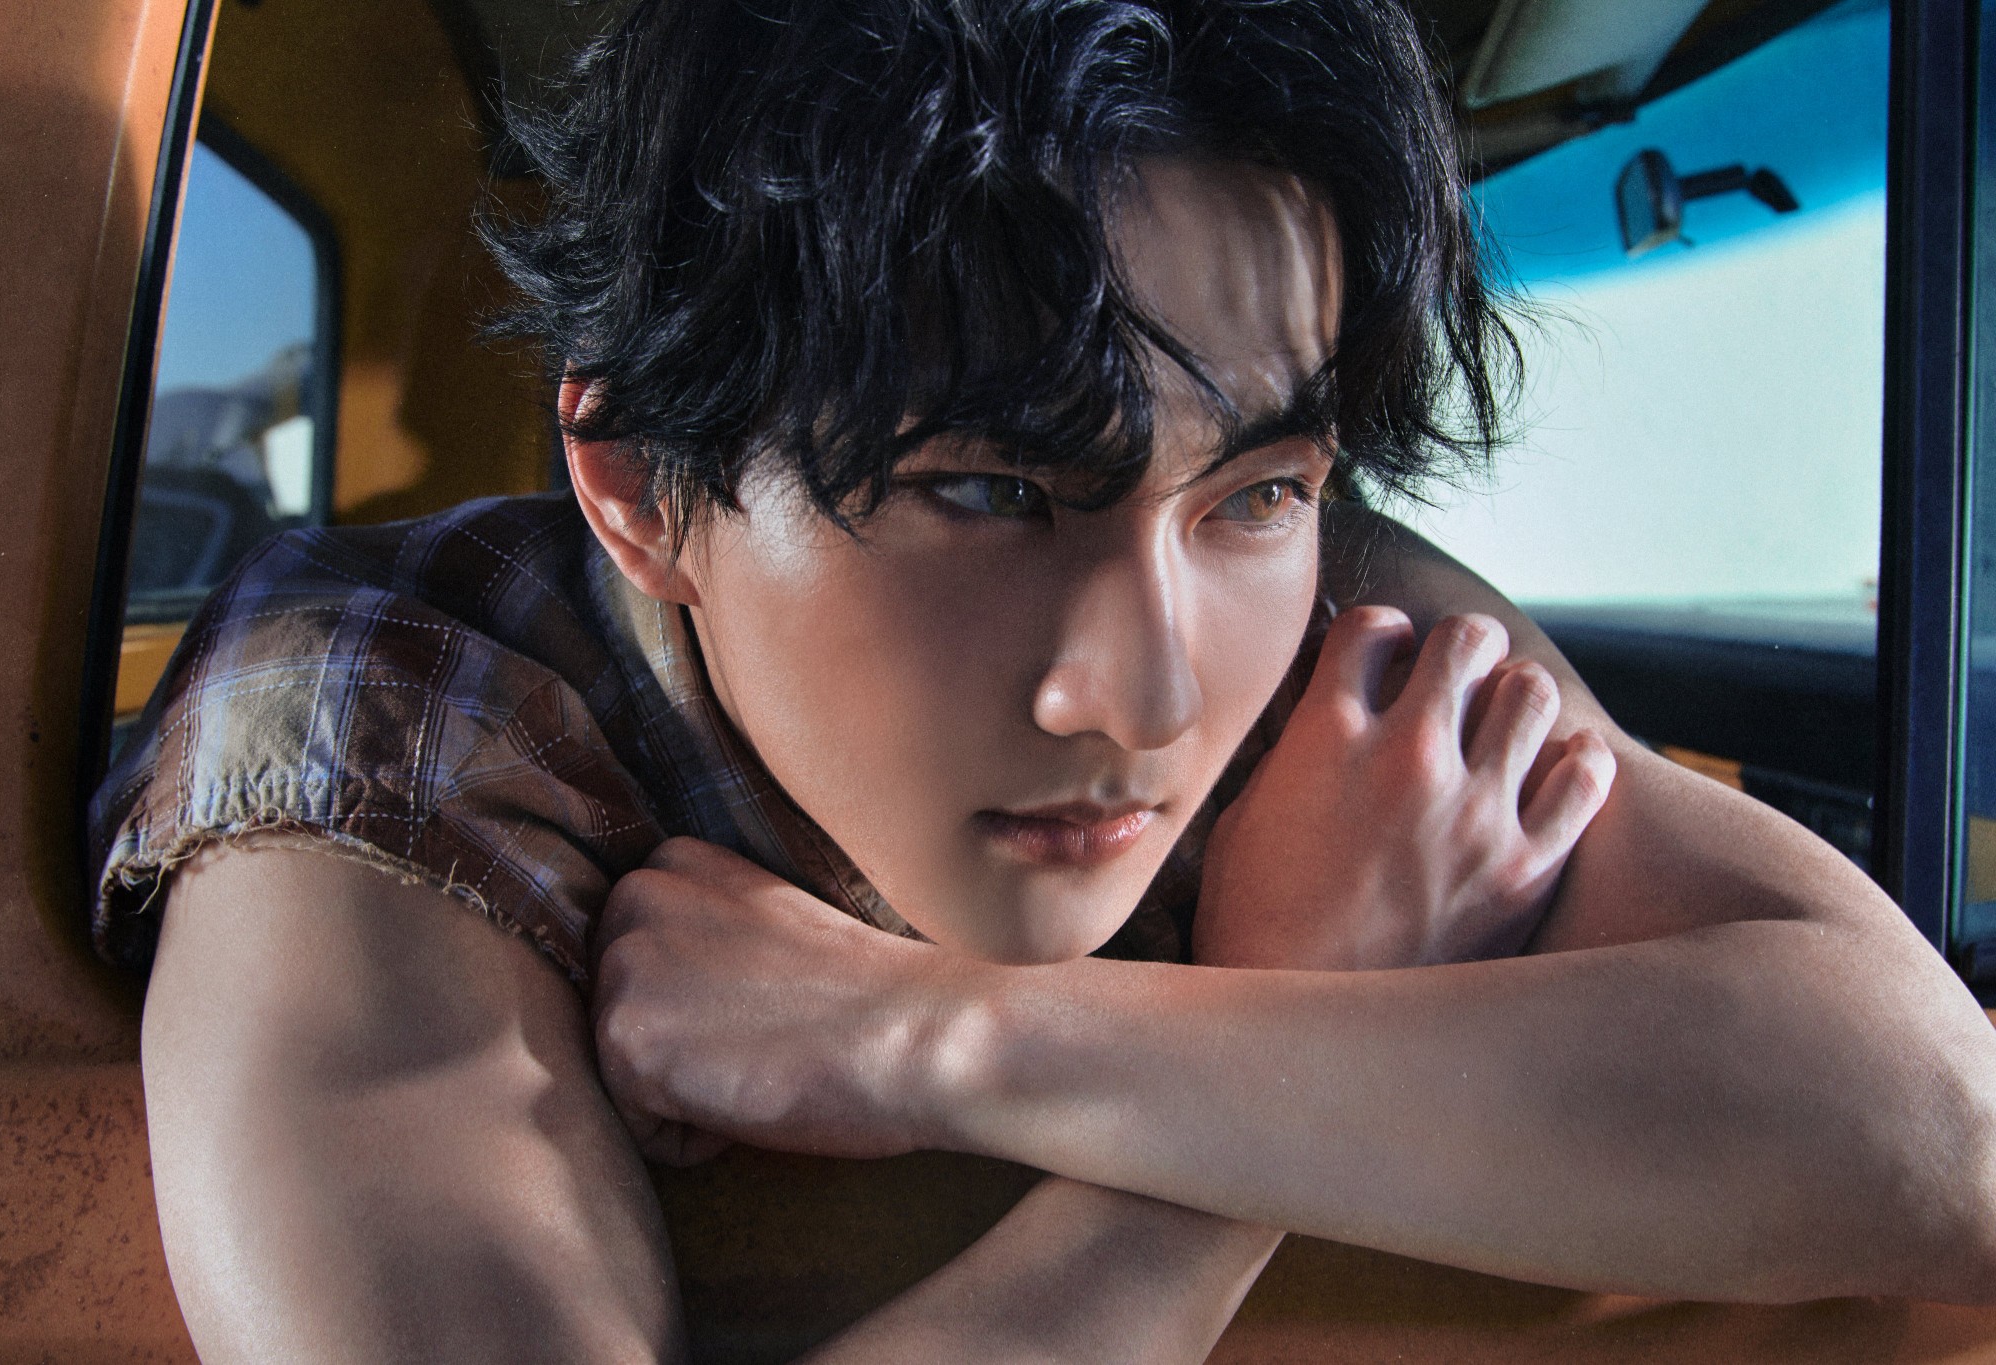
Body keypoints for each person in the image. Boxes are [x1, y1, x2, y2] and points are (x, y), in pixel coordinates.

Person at [98, 0, 1996, 1359]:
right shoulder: (379, 718)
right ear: (642, 484)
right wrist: (1236, 1133)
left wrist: (935, 1038)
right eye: (989, 490)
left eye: (1259, 489)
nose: (1150, 693)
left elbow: (1943, 1132)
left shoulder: (1315, 619)